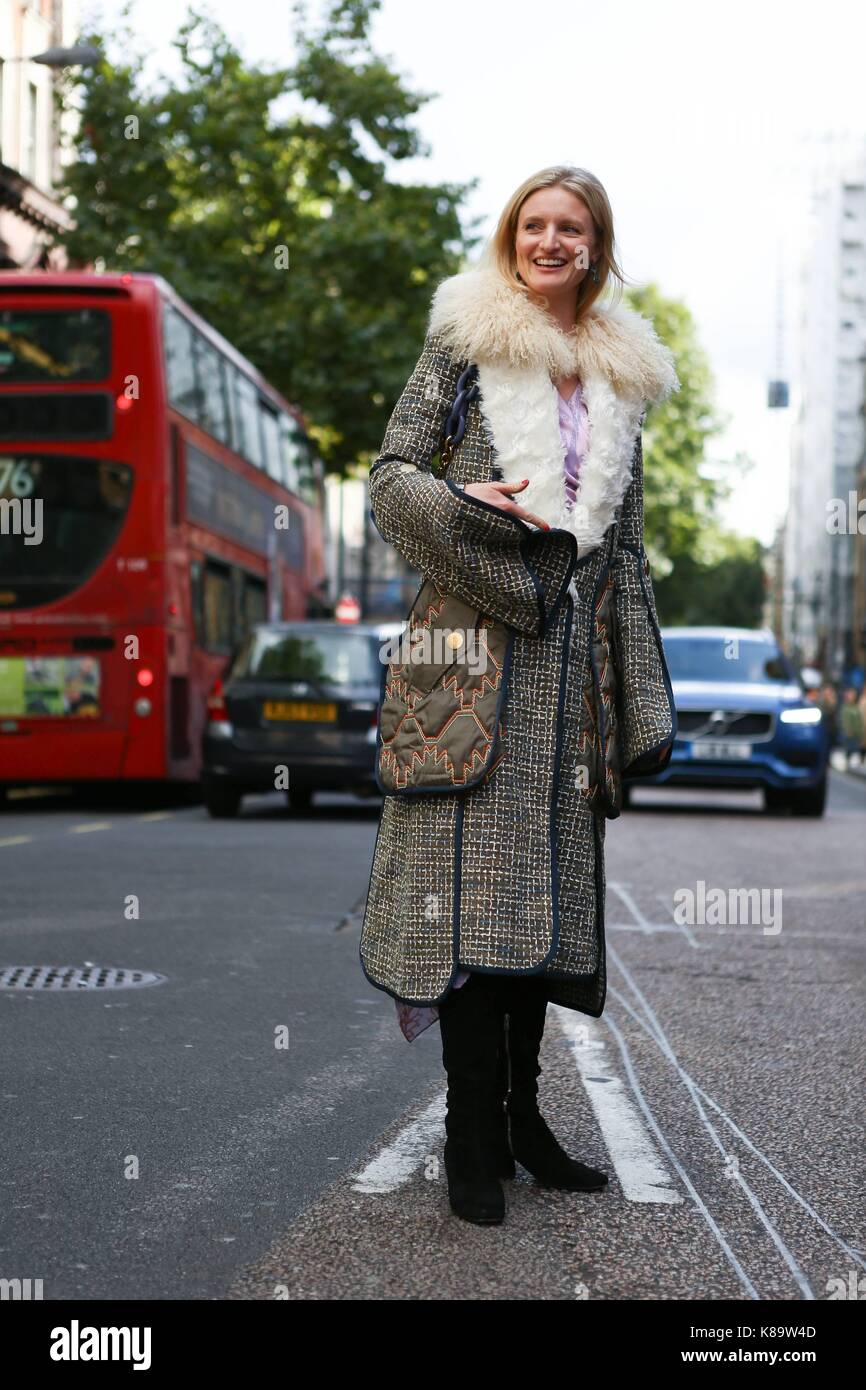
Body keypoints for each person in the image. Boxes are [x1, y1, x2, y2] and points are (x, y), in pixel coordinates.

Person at [360, 165, 680, 1225]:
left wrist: (642, 701)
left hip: (567, 673)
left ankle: (525, 1120)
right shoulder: (463, 340)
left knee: (543, 908)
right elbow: (389, 479)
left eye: (571, 228)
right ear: (512, 237)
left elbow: (624, 553)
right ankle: (470, 1132)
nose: (550, 241)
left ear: (595, 247)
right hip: (465, 656)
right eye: (534, 224)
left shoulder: (621, 377)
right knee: (466, 904)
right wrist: (461, 496)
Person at [838, 687, 864, 767]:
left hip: (858, 732)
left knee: (861, 749)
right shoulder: (845, 707)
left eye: (853, 695)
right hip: (849, 733)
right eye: (851, 695)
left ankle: (861, 762)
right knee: (849, 749)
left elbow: (859, 720)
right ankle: (847, 762)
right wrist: (847, 730)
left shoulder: (856, 706)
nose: (852, 696)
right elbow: (844, 720)